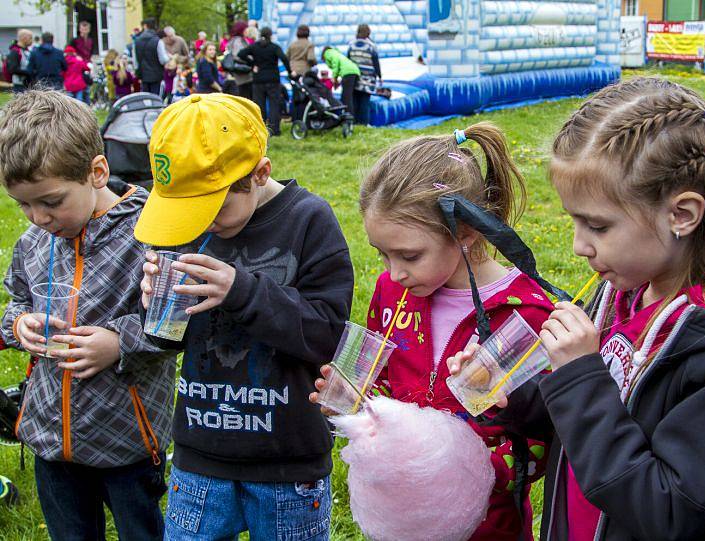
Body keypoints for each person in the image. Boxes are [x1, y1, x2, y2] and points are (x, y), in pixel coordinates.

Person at [451, 77, 705, 541]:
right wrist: (511, 391)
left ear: (682, 214)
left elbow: (668, 512)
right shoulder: (623, 294)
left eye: (597, 225)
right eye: (574, 222)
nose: (579, 246)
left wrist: (579, 378)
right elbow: (586, 420)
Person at [310, 123, 553, 540]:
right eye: (382, 254)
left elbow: (541, 433)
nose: (393, 272)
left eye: (408, 255)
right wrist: (354, 407)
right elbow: (381, 384)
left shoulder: (524, 314)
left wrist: (464, 473)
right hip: (403, 518)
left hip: (488, 525)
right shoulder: (393, 293)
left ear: (465, 233)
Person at [134, 93, 353, 540]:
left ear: (259, 174)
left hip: (288, 464)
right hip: (199, 458)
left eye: (210, 208)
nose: (201, 224)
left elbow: (328, 335)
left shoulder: (309, 220)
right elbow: (168, 341)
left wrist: (242, 290)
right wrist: (156, 306)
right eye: (186, 211)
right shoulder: (186, 230)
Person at [0, 89, 176, 541]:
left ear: (98, 172)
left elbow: (174, 323)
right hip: (50, 442)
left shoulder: (149, 233)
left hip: (127, 441)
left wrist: (119, 342)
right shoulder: (33, 243)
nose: (37, 216)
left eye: (51, 201)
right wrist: (20, 325)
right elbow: (16, 304)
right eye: (24, 204)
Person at [237, 27, 291, 136]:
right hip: (273, 79)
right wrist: (289, 71)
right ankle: (274, 130)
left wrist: (252, 64)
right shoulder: (274, 47)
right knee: (274, 104)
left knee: (259, 105)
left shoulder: (255, 46)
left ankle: (261, 129)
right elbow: (284, 58)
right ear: (271, 35)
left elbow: (241, 54)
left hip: (258, 79)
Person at [347, 23, 381, 125]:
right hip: (368, 79)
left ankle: (355, 122)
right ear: (368, 33)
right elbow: (376, 62)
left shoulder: (351, 45)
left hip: (354, 78)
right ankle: (364, 123)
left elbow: (348, 60)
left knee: (355, 101)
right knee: (365, 102)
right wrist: (380, 75)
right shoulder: (371, 46)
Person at [321, 46, 360, 118]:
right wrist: (337, 80)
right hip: (355, 71)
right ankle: (354, 117)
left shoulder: (328, 53)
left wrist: (333, 77)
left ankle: (348, 117)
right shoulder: (337, 53)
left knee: (346, 97)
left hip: (348, 73)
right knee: (350, 96)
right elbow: (340, 66)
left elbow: (335, 63)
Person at [133, 18, 169, 95]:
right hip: (156, 74)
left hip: (143, 74)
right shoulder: (158, 41)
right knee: (155, 98)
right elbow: (163, 60)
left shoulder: (137, 41)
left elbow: (135, 62)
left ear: (145, 26)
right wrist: (169, 57)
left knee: (145, 98)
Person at [226, 20, 253, 101]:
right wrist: (250, 60)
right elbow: (238, 55)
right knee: (246, 98)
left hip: (240, 75)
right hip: (243, 75)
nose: (247, 31)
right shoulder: (238, 41)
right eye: (246, 29)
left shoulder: (234, 40)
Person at [6, 29, 33, 93]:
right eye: (30, 38)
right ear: (24, 38)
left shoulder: (26, 50)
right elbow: (12, 69)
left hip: (27, 84)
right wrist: (29, 72)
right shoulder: (15, 51)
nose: (32, 41)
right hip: (19, 86)